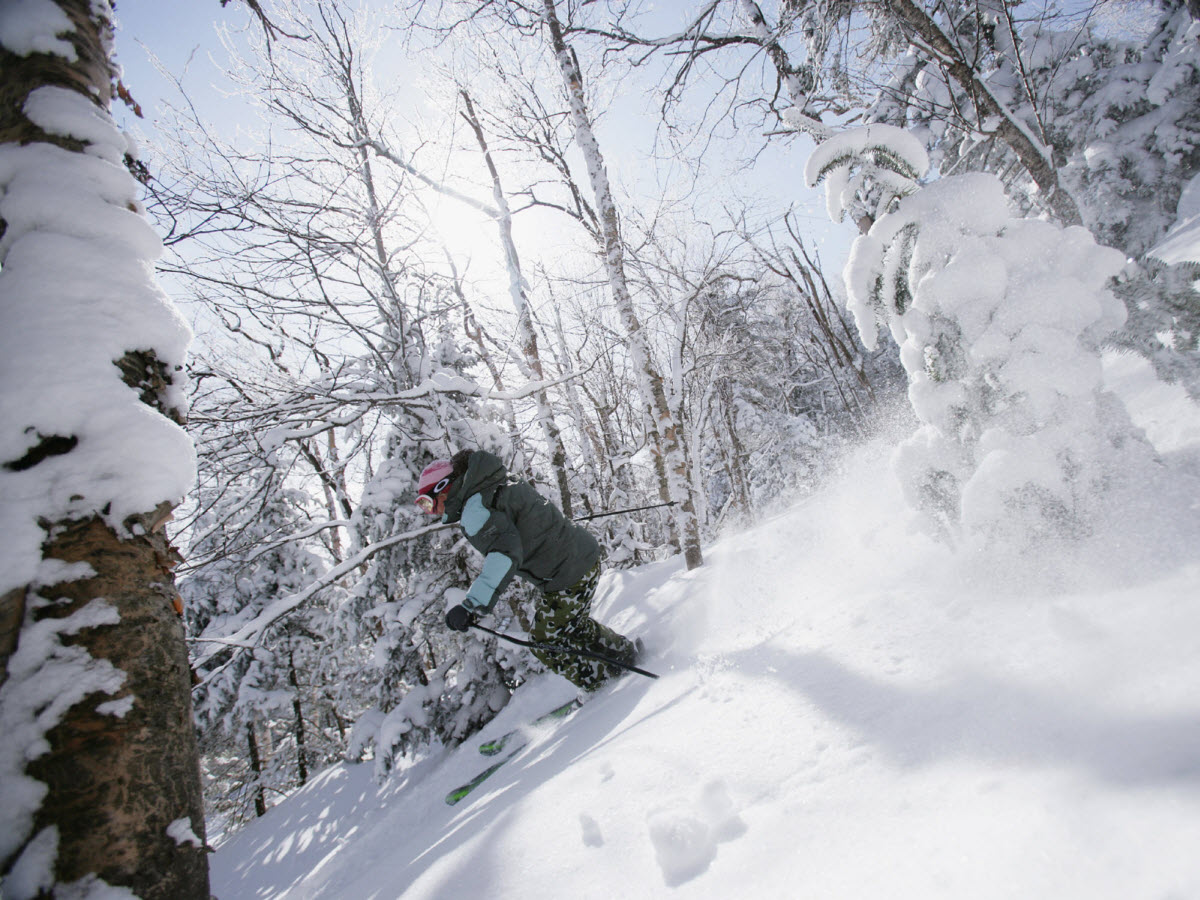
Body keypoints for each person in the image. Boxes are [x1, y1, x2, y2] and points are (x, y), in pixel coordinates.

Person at [414, 449, 641, 692]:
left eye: (427, 503)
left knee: (545, 641)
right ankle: (624, 656)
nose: (431, 512)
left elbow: (503, 555)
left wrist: (472, 605)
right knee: (569, 627)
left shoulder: (475, 509)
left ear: (445, 488)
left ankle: (604, 689)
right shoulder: (493, 482)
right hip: (581, 556)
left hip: (566, 574)